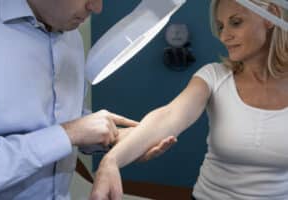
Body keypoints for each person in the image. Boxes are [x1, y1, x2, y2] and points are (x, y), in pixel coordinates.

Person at [90, 0, 288, 199]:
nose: (224, 36)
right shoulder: (214, 76)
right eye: (220, 26)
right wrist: (111, 160)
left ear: (270, 16)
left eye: (236, 22)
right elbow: (169, 116)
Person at [0, 0, 176, 199]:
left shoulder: (71, 37)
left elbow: (66, 118)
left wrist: (111, 138)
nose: (97, 7)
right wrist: (68, 134)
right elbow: (67, 131)